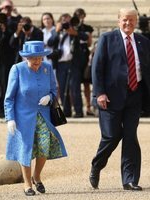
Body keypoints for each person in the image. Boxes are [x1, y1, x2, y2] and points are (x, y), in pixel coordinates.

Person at [89, 8, 150, 191]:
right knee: (111, 136)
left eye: (132, 20)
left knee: (130, 137)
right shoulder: (107, 39)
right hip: (110, 98)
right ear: (118, 21)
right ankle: (97, 166)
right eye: (125, 20)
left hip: (135, 95)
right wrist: (99, 92)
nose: (128, 23)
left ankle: (129, 179)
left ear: (136, 21)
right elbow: (97, 67)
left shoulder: (144, 41)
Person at [4, 41, 67, 196]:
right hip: (23, 118)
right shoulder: (17, 69)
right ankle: (27, 185)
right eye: (33, 58)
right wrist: (10, 119)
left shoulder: (48, 68)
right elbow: (9, 98)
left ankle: (36, 176)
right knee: (26, 149)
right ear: (26, 58)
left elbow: (54, 90)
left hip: (43, 116)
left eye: (39, 57)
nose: (37, 61)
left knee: (44, 148)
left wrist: (49, 97)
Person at [73, 8, 94, 116]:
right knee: (74, 84)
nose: (80, 17)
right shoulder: (72, 26)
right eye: (78, 15)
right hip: (74, 57)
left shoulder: (87, 28)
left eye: (81, 15)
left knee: (86, 83)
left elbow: (90, 44)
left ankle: (89, 107)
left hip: (84, 56)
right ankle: (75, 108)